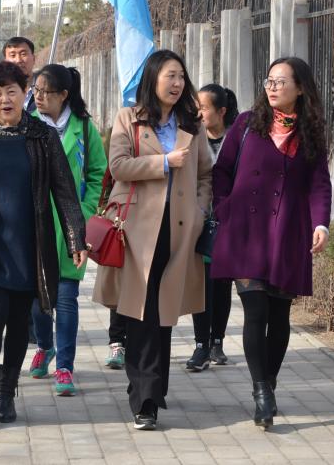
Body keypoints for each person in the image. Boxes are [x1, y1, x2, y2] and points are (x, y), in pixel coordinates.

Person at [0, 61, 87, 431]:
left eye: (11, 91)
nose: (4, 99)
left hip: (30, 244)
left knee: (17, 321)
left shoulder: (43, 136)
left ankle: (7, 392)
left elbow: (64, 191)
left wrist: (75, 237)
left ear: (24, 93)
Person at [92, 50, 212, 431]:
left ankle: (154, 388)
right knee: (140, 312)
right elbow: (118, 167)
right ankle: (144, 399)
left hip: (179, 229)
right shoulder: (129, 119)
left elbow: (206, 174)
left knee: (164, 311)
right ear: (153, 78)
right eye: (169, 76)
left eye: (181, 76)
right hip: (137, 231)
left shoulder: (191, 123)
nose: (177, 83)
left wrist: (200, 211)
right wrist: (162, 163)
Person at [210, 57, 331, 430]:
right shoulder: (248, 124)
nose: (273, 87)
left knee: (279, 317)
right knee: (255, 311)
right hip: (247, 231)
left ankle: (270, 380)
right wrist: (224, 207)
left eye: (281, 81)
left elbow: (319, 184)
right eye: (269, 80)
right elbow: (221, 170)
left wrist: (321, 224)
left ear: (300, 88)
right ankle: (261, 390)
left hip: (287, 233)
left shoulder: (310, 132)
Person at [27, 64, 107, 397]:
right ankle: (45, 346)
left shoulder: (84, 128)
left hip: (72, 227)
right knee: (37, 299)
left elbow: (98, 173)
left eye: (45, 91)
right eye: (35, 89)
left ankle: (65, 367)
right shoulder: (27, 125)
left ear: (63, 94)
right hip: (35, 225)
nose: (38, 96)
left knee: (66, 297)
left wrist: (84, 213)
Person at [185, 84, 239, 372]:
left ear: (221, 111)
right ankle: (200, 345)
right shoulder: (193, 138)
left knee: (221, 285)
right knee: (201, 283)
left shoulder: (238, 140)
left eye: (204, 108)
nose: (199, 113)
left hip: (229, 222)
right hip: (200, 220)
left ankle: (217, 340)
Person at [2, 37, 37, 112]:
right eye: (12, 55)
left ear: (34, 58)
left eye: (23, 54)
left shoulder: (47, 89)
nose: (18, 60)